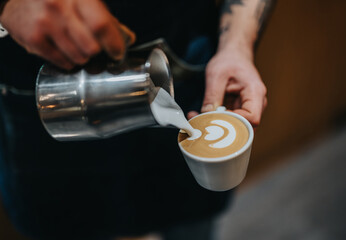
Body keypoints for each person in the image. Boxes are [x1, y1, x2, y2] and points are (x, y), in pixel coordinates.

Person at [0, 0, 273, 239]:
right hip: (50, 91)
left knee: (192, 219)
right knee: (66, 222)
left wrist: (236, 46)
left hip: (182, 68)